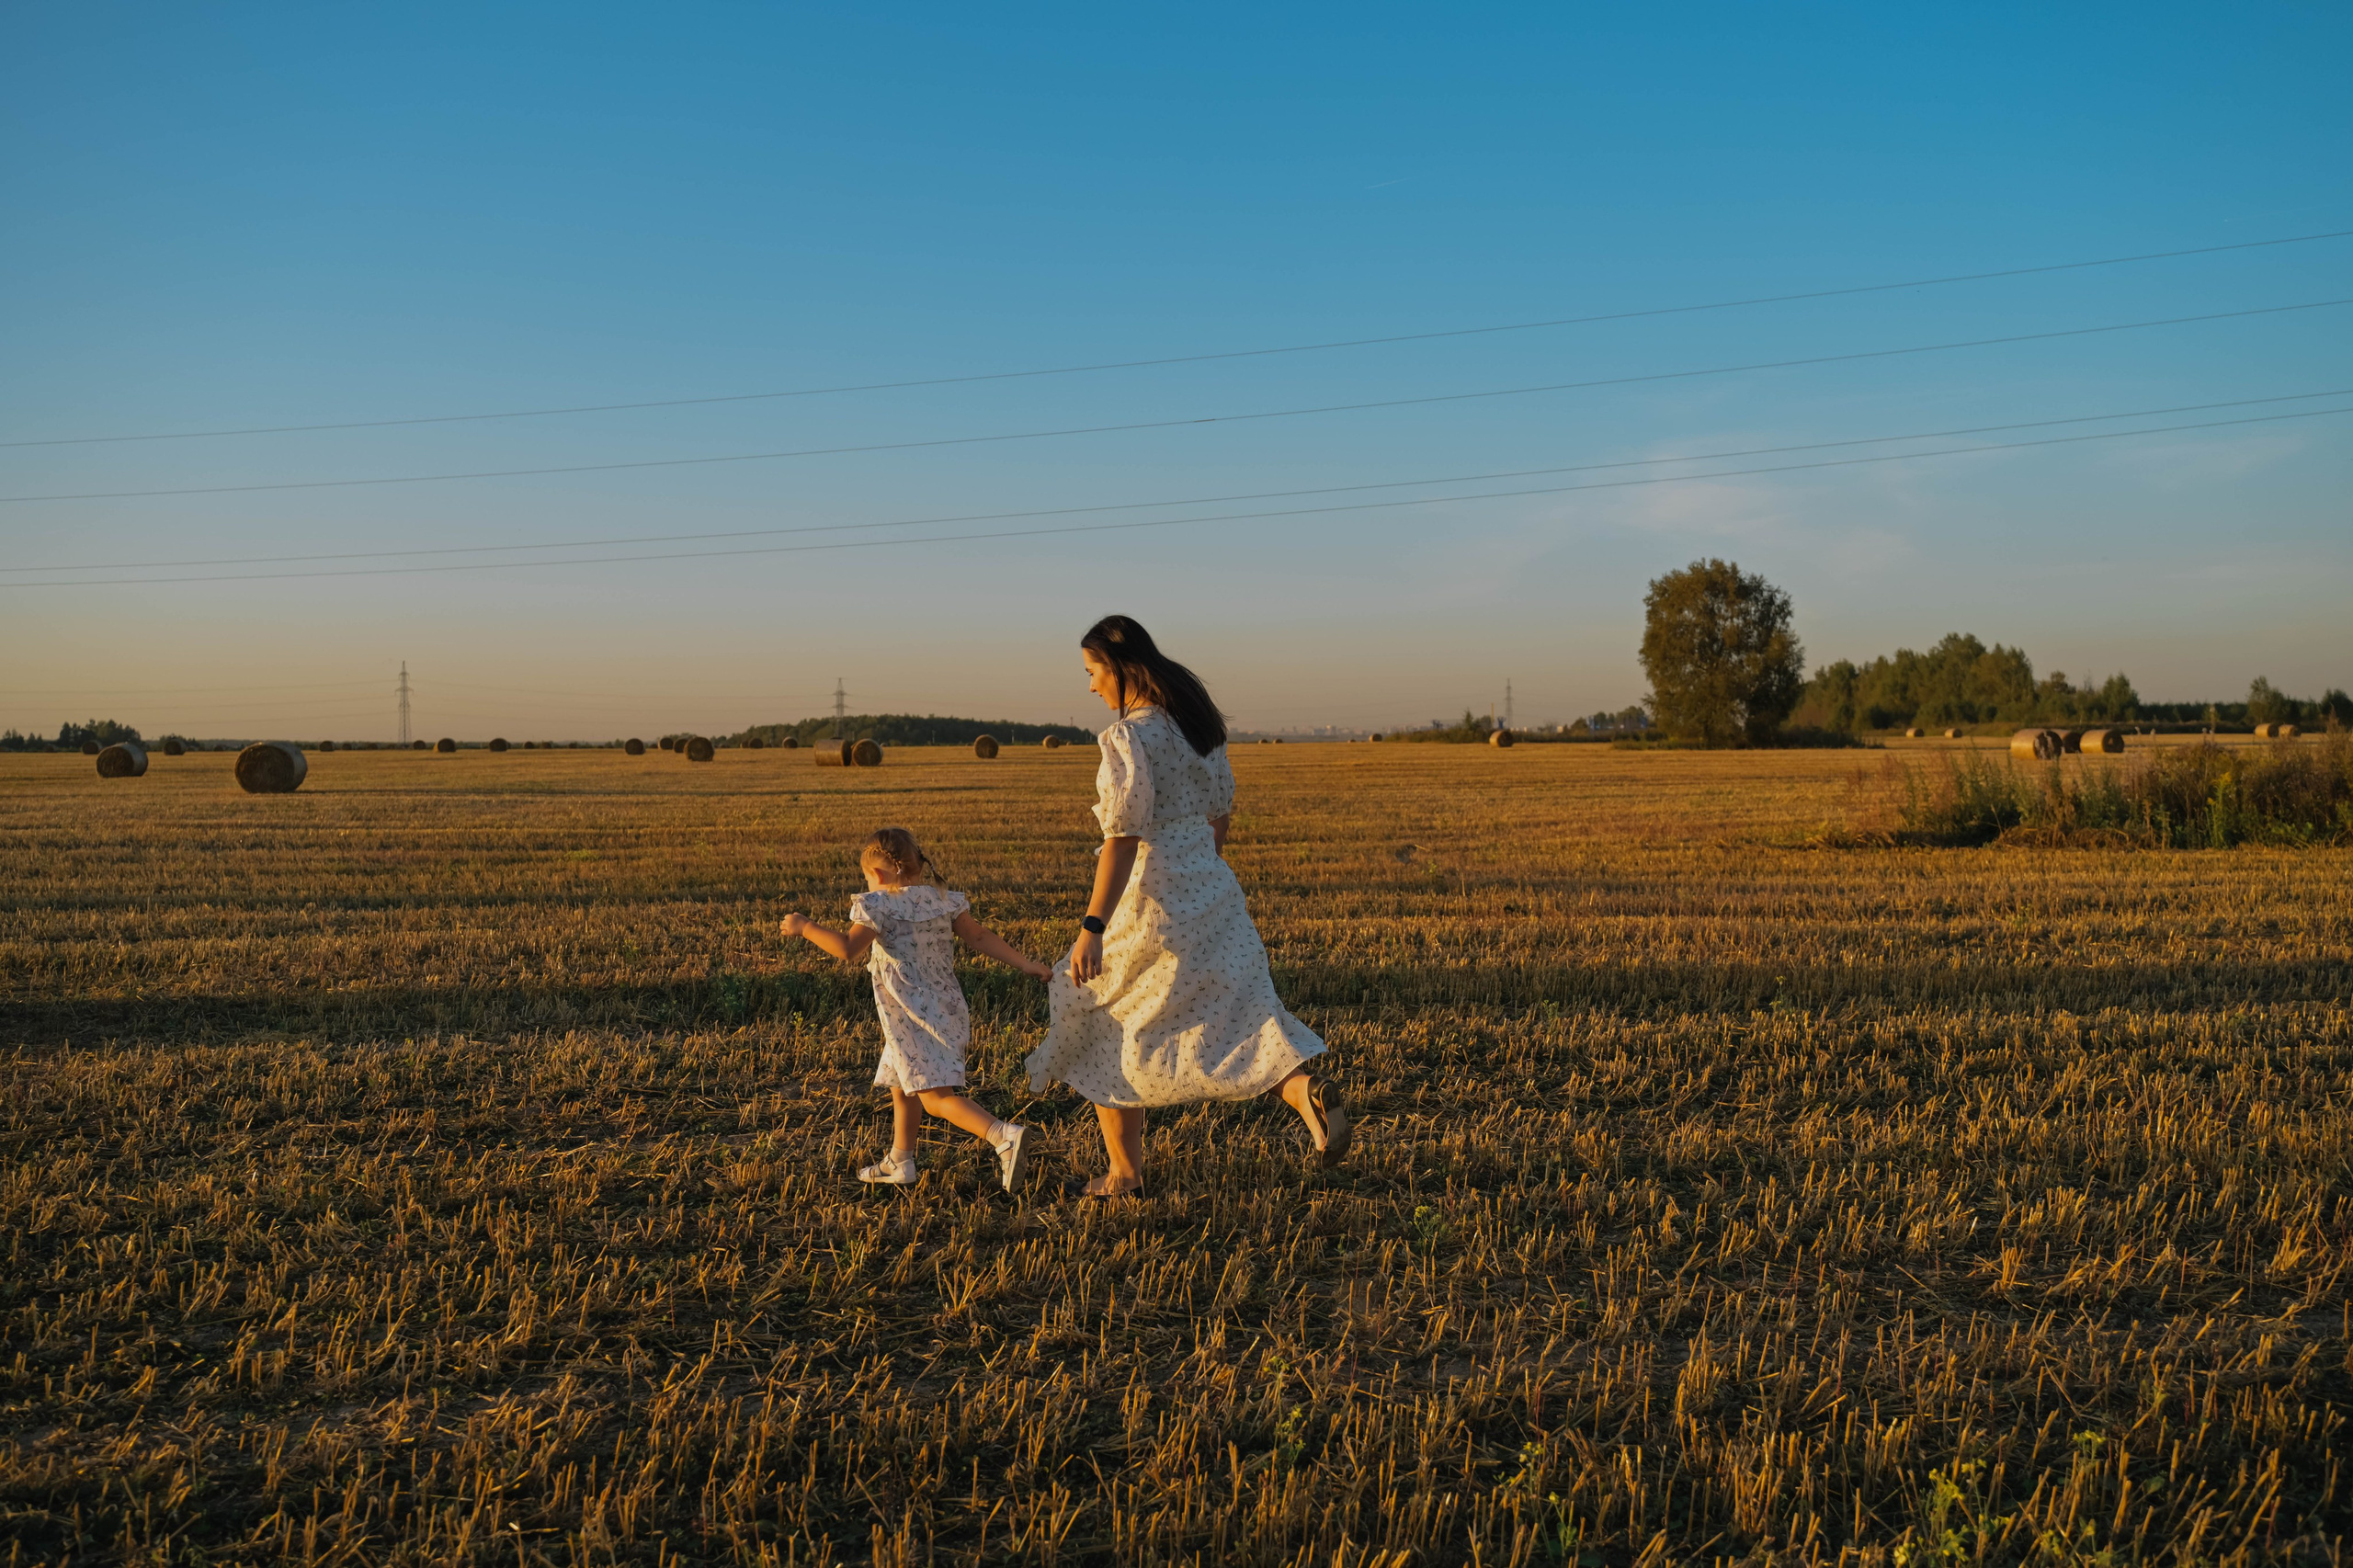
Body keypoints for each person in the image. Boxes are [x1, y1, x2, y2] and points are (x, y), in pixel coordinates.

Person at [1026, 615, 1350, 1198]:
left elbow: (1121, 838)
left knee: (1100, 1013)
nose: (1090, 685)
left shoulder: (1130, 737)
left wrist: (1092, 926)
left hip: (1151, 895)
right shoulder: (1198, 729)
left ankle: (1123, 1175)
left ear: (1121, 669)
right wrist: (1202, 874)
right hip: (1210, 885)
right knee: (1235, 1014)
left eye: (1092, 671)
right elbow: (1220, 810)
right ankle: (1302, 1090)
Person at [780, 826, 1051, 1192]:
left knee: (936, 1097)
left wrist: (806, 927)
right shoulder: (942, 900)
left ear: (876, 875)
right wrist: (1025, 963)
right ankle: (900, 1160)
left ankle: (1002, 1135)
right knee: (901, 1084)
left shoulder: (879, 904)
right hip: (944, 1005)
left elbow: (846, 948)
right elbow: (981, 937)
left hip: (911, 1013)